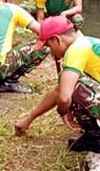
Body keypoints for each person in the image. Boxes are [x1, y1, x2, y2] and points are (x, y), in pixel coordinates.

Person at [14, 16, 100, 153]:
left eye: (49, 46)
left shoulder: (76, 50)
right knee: (68, 82)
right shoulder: (87, 43)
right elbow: (59, 89)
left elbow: (64, 97)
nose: (51, 53)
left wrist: (63, 111)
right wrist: (29, 119)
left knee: (74, 85)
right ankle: (93, 136)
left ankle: (95, 138)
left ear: (56, 39)